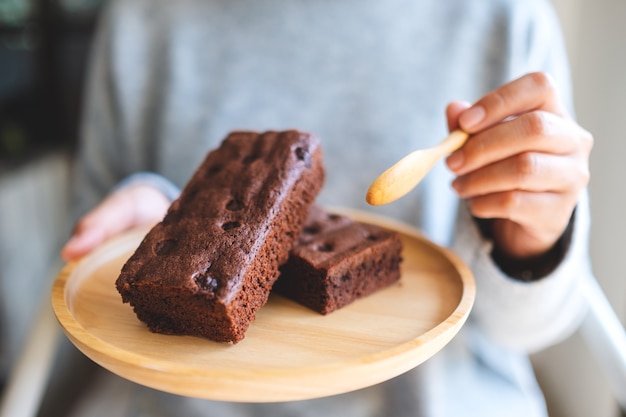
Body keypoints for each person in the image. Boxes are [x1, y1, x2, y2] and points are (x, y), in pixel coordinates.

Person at [58, 0, 593, 416]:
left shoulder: (502, 18)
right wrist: (149, 210)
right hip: (176, 399)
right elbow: (84, 273)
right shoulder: (144, 20)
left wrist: (529, 242)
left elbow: (534, 327)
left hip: (441, 398)